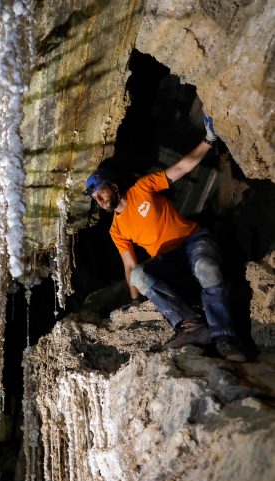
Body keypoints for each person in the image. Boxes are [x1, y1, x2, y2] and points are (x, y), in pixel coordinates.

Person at [85, 114, 246, 362]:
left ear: (114, 187)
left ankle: (225, 336)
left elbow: (181, 167)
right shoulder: (116, 229)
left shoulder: (143, 188)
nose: (100, 199)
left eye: (101, 191)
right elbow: (130, 265)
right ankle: (192, 327)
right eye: (95, 197)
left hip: (193, 241)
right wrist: (135, 300)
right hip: (168, 261)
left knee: (207, 267)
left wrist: (208, 140)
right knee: (139, 275)